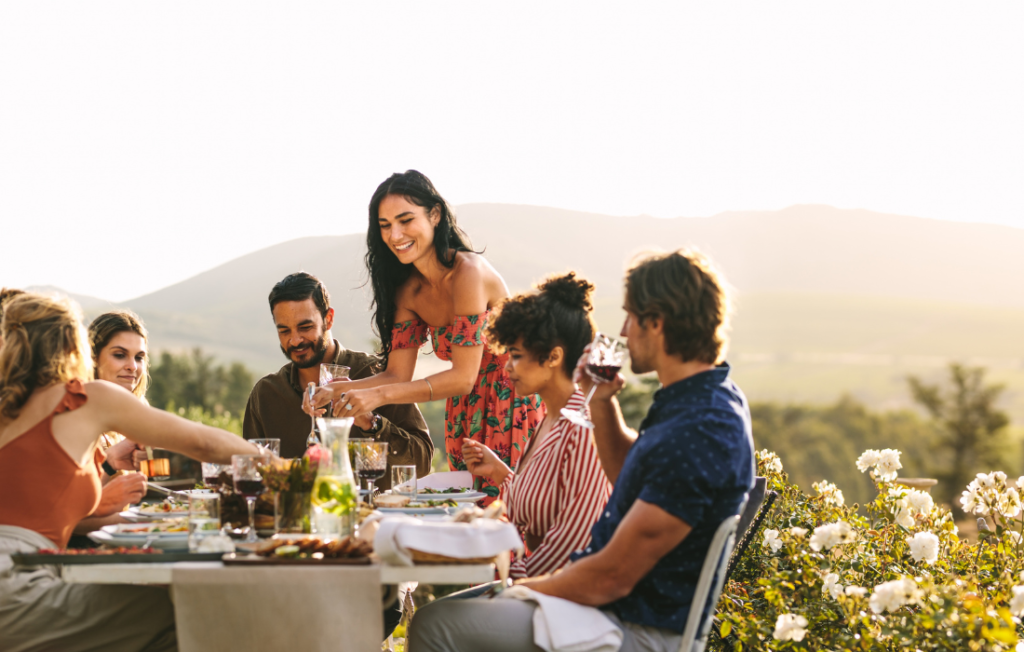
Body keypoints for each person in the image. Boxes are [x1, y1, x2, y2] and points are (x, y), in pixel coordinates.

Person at [409, 250, 755, 652]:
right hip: (609, 610)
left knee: (436, 625)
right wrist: (604, 402)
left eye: (631, 316)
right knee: (445, 615)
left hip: (633, 626)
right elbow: (630, 472)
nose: (623, 332)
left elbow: (614, 576)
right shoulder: (691, 399)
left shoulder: (702, 427)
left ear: (657, 322)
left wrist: (524, 589)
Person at [0, 292, 260, 651]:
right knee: (199, 609)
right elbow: (203, 443)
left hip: (33, 570)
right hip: (17, 582)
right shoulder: (84, 398)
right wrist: (276, 465)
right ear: (73, 347)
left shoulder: (9, 409)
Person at [306, 170, 542, 501]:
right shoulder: (409, 291)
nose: (395, 234)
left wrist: (381, 397)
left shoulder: (468, 274)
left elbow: (463, 377)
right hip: (464, 414)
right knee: (469, 513)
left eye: (405, 220)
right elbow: (396, 374)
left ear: (435, 214)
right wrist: (334, 391)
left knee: (513, 511)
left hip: (513, 402)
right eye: (385, 225)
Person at [462, 272, 611, 578]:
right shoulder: (550, 418)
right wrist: (502, 473)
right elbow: (538, 506)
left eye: (515, 356)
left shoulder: (583, 428)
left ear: (554, 356)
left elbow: (572, 545)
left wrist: (509, 575)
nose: (507, 367)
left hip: (565, 595)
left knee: (434, 623)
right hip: (538, 582)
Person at [244, 272, 432, 487]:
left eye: (305, 327)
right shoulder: (266, 394)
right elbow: (251, 474)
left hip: (375, 517)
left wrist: (372, 423)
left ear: (329, 318)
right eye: (284, 331)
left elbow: (423, 462)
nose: (295, 340)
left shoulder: (377, 374)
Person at [69, 310, 154, 542]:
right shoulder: (74, 416)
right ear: (93, 358)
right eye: (120, 355)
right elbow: (71, 517)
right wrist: (148, 521)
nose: (132, 367)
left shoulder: (132, 415)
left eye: (139, 357)